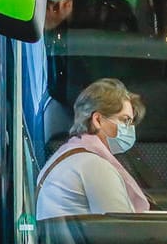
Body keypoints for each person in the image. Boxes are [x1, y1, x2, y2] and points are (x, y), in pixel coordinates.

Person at [35, 79, 151, 219]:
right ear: (97, 120)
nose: (130, 129)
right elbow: (122, 229)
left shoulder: (69, 155)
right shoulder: (93, 165)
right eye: (124, 120)